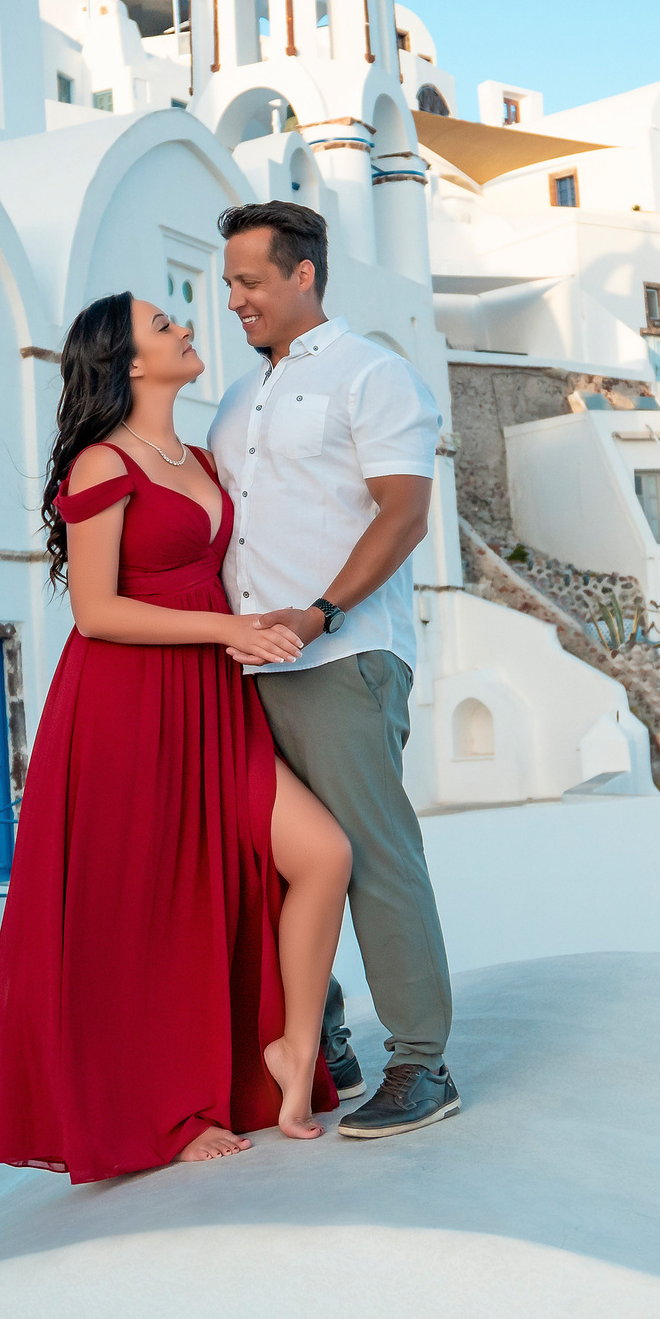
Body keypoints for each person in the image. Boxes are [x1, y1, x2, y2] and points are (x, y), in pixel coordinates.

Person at [0, 292, 351, 1181]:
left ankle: (294, 1049)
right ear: (130, 362)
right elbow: (97, 611)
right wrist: (228, 629)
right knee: (151, 910)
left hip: (213, 704)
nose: (185, 327)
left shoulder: (202, 457)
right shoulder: (98, 463)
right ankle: (168, 1108)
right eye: (161, 325)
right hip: (126, 706)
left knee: (324, 854)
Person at [209, 201, 462, 1139]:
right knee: (283, 866)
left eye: (250, 281)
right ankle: (329, 1042)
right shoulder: (237, 398)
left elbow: (404, 513)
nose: (234, 300)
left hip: (344, 656)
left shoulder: (371, 374)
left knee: (374, 854)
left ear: (303, 273)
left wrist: (321, 613)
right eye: (229, 283)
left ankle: (422, 1061)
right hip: (249, 670)